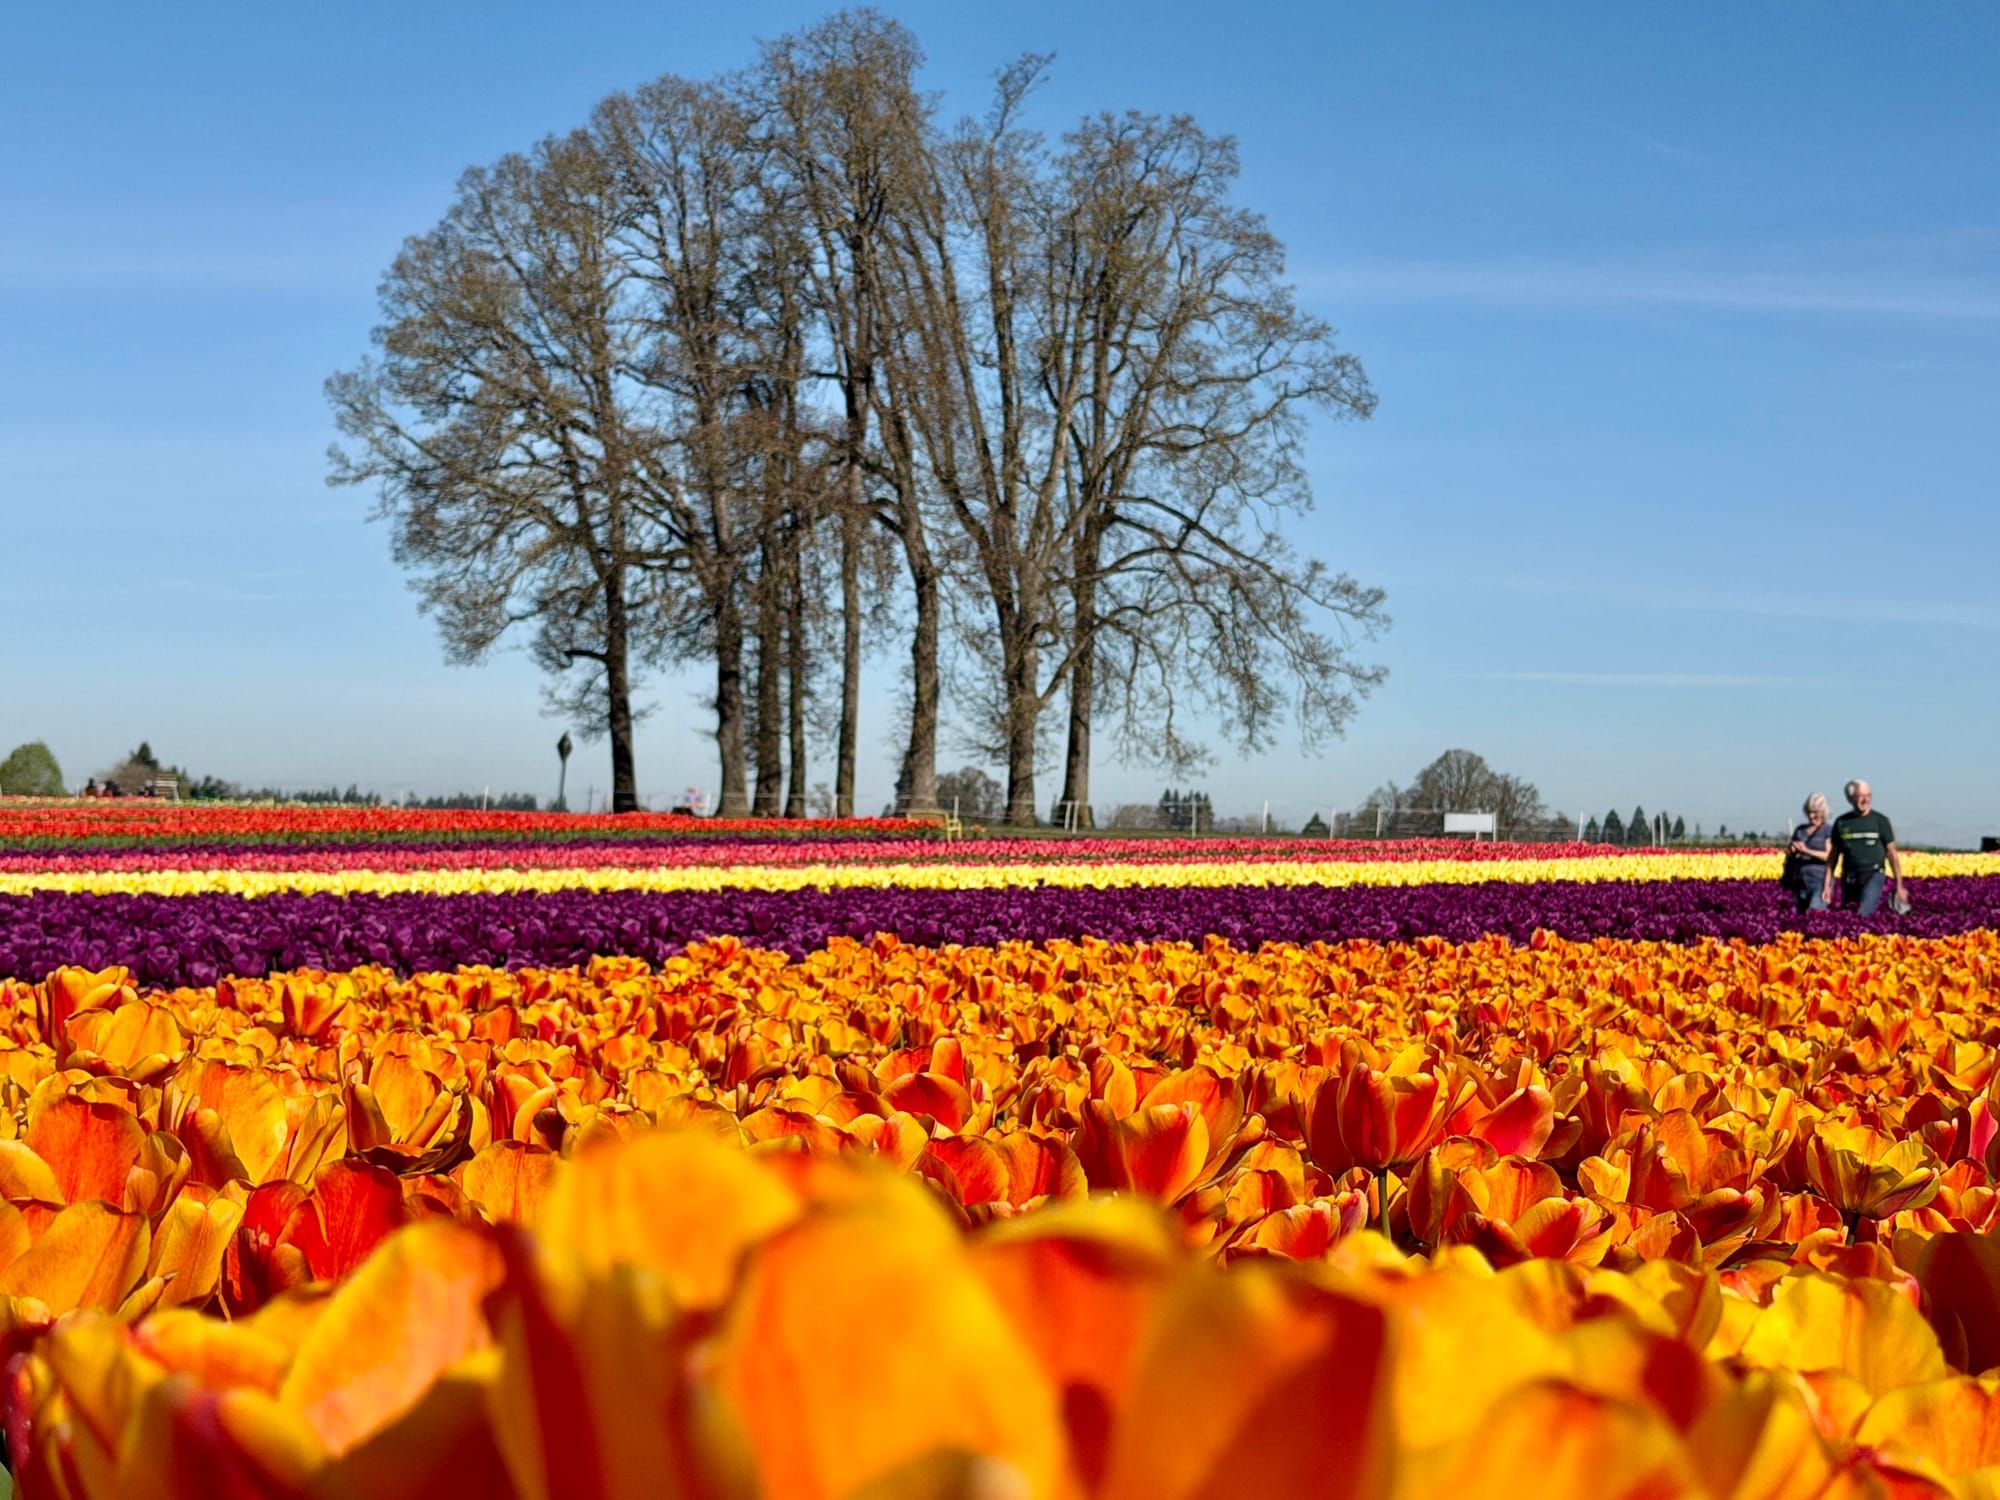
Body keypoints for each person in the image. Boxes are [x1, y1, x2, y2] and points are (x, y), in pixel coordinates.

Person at [1822, 779, 1909, 917]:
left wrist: (1899, 885)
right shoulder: (1842, 822)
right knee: (1848, 915)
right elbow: (1833, 857)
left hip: (1873, 874)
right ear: (1850, 798)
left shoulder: (1880, 821)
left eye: (1868, 795)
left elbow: (1892, 854)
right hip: (1850, 877)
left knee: (1864, 913)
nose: (1865, 800)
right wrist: (1827, 886)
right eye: (1860, 796)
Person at [1784, 792, 1835, 911]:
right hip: (1800, 882)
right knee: (1799, 918)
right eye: (1809, 812)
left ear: (1823, 812)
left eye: (1815, 812)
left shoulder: (1828, 830)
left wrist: (1806, 850)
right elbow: (1790, 855)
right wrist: (1793, 850)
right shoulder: (1800, 830)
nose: (1811, 816)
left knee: (1814, 913)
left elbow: (1829, 856)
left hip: (1820, 882)